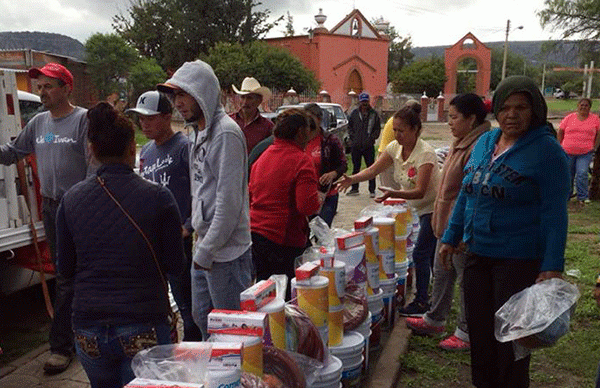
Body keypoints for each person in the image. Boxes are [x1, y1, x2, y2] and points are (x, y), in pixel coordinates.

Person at [439, 76, 570, 388]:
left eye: (521, 107)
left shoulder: (547, 152)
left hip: (518, 261)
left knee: (512, 343)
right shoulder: (485, 142)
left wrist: (552, 266)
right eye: (506, 107)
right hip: (477, 254)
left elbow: (555, 213)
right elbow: (467, 192)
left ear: (535, 110)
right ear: (496, 110)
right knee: (481, 334)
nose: (512, 114)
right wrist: (449, 236)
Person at [56, 102, 184, 388]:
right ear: (131, 150)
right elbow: (176, 265)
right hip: (144, 325)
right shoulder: (159, 198)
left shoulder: (71, 200)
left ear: (91, 150)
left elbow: (64, 269)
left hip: (89, 329)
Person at [0, 63, 92, 374]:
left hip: (81, 208)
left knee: (86, 274)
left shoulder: (83, 121)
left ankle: (79, 342)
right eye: (40, 87)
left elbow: (95, 167)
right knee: (64, 277)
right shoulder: (39, 123)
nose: (42, 92)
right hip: (53, 210)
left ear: (67, 88)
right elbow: (13, 151)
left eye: (48, 86)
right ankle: (66, 345)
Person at [157, 60, 253, 339]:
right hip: (207, 246)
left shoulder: (226, 133)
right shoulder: (199, 131)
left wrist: (206, 250)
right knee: (202, 318)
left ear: (203, 92)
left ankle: (236, 378)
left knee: (232, 328)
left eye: (184, 94)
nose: (178, 102)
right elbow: (200, 189)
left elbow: (229, 203)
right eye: (175, 95)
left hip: (227, 252)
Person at [405, 93, 491, 350]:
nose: (449, 122)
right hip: (446, 223)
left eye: (453, 117)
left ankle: (466, 331)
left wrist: (460, 232)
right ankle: (435, 318)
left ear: (471, 118)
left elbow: (470, 193)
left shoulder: (480, 146)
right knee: (442, 272)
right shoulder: (462, 141)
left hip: (462, 226)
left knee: (466, 279)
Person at [337, 104, 441, 316]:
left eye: (401, 130)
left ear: (415, 130)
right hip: (418, 209)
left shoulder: (426, 154)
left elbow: (421, 191)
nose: (397, 134)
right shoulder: (394, 147)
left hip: (434, 208)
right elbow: (374, 169)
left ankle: (423, 302)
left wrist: (393, 195)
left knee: (422, 253)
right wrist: (352, 179)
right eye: (394, 129)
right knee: (427, 254)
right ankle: (431, 293)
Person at [126, 90, 202, 341]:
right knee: (158, 296)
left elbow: (200, 190)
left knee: (185, 296)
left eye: (150, 118)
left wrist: (189, 226)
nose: (143, 124)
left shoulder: (184, 148)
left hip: (178, 237)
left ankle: (193, 341)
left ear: (167, 117)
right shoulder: (146, 151)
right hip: (151, 237)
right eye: (140, 119)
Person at [249, 108, 321, 293]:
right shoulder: (301, 160)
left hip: (256, 234)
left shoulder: (264, 155)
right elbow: (306, 206)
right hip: (283, 239)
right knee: (286, 294)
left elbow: (251, 193)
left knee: (265, 292)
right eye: (308, 130)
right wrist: (317, 200)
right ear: (299, 132)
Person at [304, 103, 347, 227]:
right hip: (306, 195)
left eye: (311, 119)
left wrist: (333, 174)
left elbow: (343, 164)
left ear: (319, 119)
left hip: (327, 195)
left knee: (321, 232)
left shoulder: (330, 140)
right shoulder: (300, 140)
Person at [558, 97, 600, 205]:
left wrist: (595, 146)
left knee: (582, 173)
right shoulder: (569, 118)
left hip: (585, 152)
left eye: (586, 105)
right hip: (567, 151)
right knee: (568, 174)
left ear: (590, 107)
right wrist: (559, 145)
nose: (584, 107)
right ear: (578, 106)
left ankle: (582, 197)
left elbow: (598, 134)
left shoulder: (595, 119)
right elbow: (561, 131)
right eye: (582, 105)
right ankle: (566, 195)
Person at [377, 99, 419, 190]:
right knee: (391, 192)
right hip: (388, 158)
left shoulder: (400, 122)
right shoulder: (399, 122)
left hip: (393, 157)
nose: (397, 134)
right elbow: (372, 171)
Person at [347, 91, 381, 197]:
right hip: (356, 146)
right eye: (362, 102)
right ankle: (354, 188)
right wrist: (353, 138)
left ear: (368, 101)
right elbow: (350, 127)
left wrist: (371, 139)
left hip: (368, 146)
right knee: (355, 168)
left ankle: (372, 190)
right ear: (359, 102)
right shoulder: (354, 113)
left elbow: (377, 129)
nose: (364, 104)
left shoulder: (374, 114)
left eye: (366, 101)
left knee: (371, 168)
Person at [230, 77, 274, 154]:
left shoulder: (268, 127)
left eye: (250, 98)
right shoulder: (229, 121)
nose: (245, 102)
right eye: (243, 97)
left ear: (259, 101)